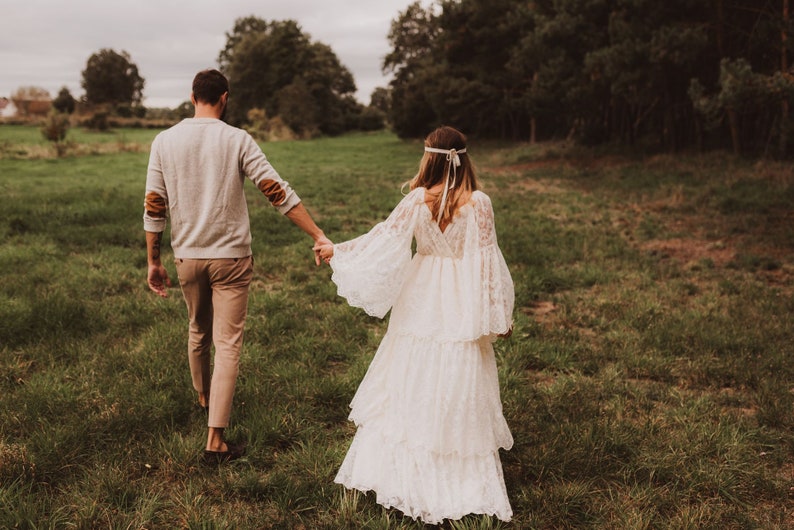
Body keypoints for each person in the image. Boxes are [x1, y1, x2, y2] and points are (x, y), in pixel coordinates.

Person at [316, 126, 514, 524]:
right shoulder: (480, 203)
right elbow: (487, 262)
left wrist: (337, 249)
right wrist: (497, 313)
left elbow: (382, 240)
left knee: (411, 368)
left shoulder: (415, 201)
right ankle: (453, 461)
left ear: (429, 158)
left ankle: (407, 459)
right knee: (458, 370)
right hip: (460, 297)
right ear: (464, 158)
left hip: (422, 291)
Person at [143, 69, 331, 464]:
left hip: (187, 257)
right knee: (227, 345)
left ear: (192, 97)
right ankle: (215, 440)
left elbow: (154, 204)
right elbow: (276, 191)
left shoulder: (164, 141)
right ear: (224, 98)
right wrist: (316, 234)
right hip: (231, 257)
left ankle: (204, 397)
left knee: (197, 329)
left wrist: (154, 261)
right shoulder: (237, 139)